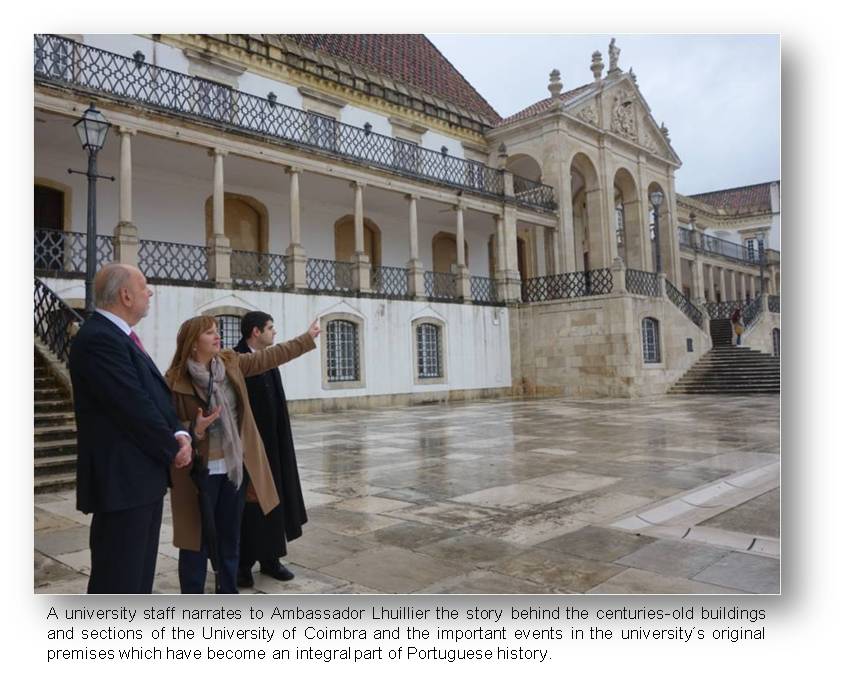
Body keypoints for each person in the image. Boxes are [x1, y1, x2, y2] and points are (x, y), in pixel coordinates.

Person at [164, 315, 319, 593]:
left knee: (229, 537)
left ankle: (228, 592)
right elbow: (165, 423)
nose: (217, 335)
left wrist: (306, 339)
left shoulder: (230, 363)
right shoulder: (174, 380)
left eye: (217, 330)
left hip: (234, 469)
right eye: (209, 332)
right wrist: (193, 428)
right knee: (195, 541)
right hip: (199, 475)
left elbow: (270, 357)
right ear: (193, 342)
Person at [69, 263, 192, 594]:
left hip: (141, 479)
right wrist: (173, 448)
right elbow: (132, 406)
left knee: (138, 580)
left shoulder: (120, 337)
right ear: (125, 295)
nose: (149, 292)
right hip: (121, 481)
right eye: (143, 287)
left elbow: (155, 394)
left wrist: (179, 432)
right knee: (118, 582)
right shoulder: (99, 339)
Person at [235, 312, 308, 587]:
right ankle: (243, 563)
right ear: (255, 331)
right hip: (250, 449)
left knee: (274, 503)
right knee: (250, 507)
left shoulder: (269, 360)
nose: (274, 332)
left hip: (273, 445)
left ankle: (271, 559)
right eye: (270, 328)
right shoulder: (238, 359)